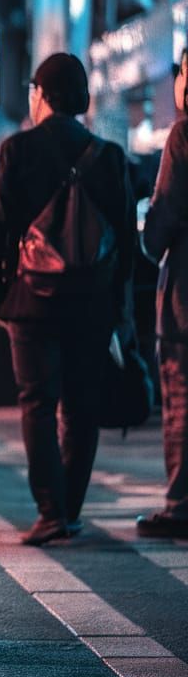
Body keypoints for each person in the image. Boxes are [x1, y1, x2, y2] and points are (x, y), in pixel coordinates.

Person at [0, 53, 136, 546]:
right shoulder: (107, 156)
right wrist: (119, 309)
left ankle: (50, 510)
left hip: (32, 300)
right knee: (81, 408)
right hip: (91, 304)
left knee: (38, 402)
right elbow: (126, 240)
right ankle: (69, 509)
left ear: (41, 94)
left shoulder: (19, 150)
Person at [137, 49, 188, 539]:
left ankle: (180, 506)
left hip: (185, 304)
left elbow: (164, 217)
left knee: (183, 404)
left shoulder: (184, 135)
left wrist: (147, 247)